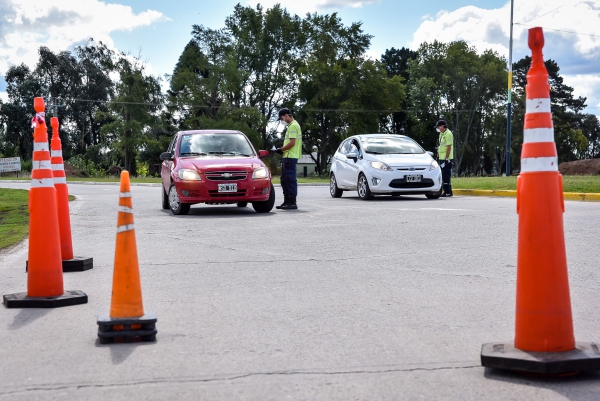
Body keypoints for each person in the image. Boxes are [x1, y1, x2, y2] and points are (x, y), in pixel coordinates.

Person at [273, 108, 302, 210]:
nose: (282, 120)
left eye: (282, 118)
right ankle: (286, 201)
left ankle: (292, 202)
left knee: (290, 180)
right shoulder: (292, 126)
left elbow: (292, 143)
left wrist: (281, 149)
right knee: (284, 180)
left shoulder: (293, 126)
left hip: (290, 156)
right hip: (287, 156)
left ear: (286, 115)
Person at [435, 119, 454, 197]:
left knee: (446, 174)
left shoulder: (448, 134)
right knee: (442, 174)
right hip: (441, 157)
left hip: (447, 158)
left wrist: (446, 159)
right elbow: (441, 146)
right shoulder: (441, 134)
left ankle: (448, 191)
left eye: (439, 127)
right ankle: (446, 190)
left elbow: (448, 147)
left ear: (443, 126)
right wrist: (437, 156)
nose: (438, 128)